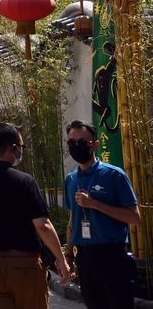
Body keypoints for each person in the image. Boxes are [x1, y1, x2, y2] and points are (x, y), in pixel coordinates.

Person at [0, 122, 73, 309]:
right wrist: (60, 259)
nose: (21, 151)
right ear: (13, 148)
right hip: (24, 264)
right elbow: (42, 225)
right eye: (21, 147)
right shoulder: (24, 182)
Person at [64, 119, 141, 309]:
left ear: (95, 145)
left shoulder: (114, 175)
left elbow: (134, 218)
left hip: (111, 256)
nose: (76, 147)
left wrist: (95, 204)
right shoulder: (71, 179)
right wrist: (68, 256)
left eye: (81, 142)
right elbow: (72, 220)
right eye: (71, 143)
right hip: (84, 257)